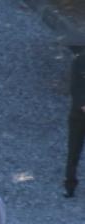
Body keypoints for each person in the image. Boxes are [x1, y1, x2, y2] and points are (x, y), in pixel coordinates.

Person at [66, 46, 85, 198]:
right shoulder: (80, 60)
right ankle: (70, 184)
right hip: (79, 114)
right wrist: (82, 104)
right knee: (74, 150)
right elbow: (75, 86)